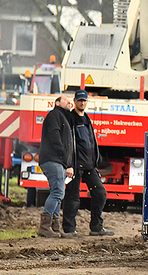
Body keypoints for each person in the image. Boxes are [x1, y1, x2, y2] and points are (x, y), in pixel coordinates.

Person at [62, 89, 113, 236]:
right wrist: (69, 164)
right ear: (75, 102)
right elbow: (68, 143)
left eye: (84, 100)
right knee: (72, 198)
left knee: (100, 193)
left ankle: (97, 227)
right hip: (76, 166)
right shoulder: (70, 119)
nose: (82, 103)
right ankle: (69, 229)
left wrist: (97, 159)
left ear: (87, 102)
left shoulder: (87, 119)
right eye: (79, 100)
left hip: (90, 165)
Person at [38, 95, 75, 238]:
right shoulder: (54, 115)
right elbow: (54, 137)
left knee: (57, 192)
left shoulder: (64, 118)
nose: (69, 102)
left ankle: (54, 228)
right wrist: (63, 155)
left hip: (58, 160)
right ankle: (45, 226)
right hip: (53, 159)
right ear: (57, 103)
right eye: (65, 100)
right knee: (58, 192)